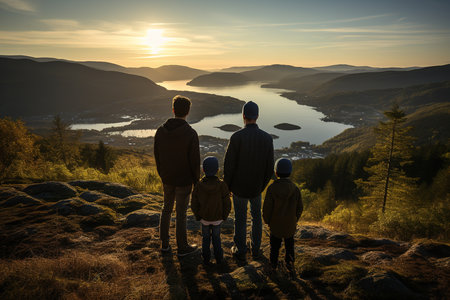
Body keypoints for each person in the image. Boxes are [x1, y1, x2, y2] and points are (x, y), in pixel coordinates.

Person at [224, 101, 274, 262]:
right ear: (257, 116)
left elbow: (229, 166)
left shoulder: (236, 137)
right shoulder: (267, 138)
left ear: (243, 116)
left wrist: (228, 186)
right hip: (256, 188)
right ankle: (256, 249)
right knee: (256, 217)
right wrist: (262, 185)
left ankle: (239, 249)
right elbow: (269, 168)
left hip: (238, 188)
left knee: (240, 218)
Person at [154, 95, 200, 257]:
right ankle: (182, 247)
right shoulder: (190, 133)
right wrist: (196, 182)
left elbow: (157, 157)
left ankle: (165, 244)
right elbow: (195, 162)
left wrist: (163, 175)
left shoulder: (160, 131)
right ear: (187, 112)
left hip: (167, 178)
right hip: (184, 181)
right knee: (181, 213)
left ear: (173, 110)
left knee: (166, 209)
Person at [263, 158, 303, 271]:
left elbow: (267, 208)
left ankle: (273, 266)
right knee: (289, 246)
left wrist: (267, 221)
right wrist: (295, 219)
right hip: (290, 225)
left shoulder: (271, 189)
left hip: (275, 225)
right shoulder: (295, 189)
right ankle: (290, 265)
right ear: (290, 172)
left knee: (274, 248)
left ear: (276, 172)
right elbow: (300, 208)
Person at [191, 156, 231, 265]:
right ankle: (219, 258)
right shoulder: (222, 185)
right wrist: (224, 216)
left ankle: (206, 259)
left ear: (203, 170)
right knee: (217, 238)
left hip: (204, 218)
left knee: (205, 238)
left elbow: (194, 203)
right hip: (217, 218)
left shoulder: (199, 185)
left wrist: (198, 216)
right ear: (218, 170)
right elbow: (227, 203)